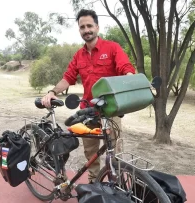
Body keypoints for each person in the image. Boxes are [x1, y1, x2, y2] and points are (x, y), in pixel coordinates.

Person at [41, 9, 135, 183]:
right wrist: (53, 92)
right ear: (79, 30)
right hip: (88, 111)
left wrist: (130, 81)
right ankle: (94, 182)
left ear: (97, 27)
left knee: (115, 153)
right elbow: (68, 77)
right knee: (90, 153)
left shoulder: (112, 48)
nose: (86, 30)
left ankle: (118, 185)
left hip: (110, 109)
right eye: (82, 27)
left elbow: (126, 68)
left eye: (89, 26)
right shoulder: (79, 55)